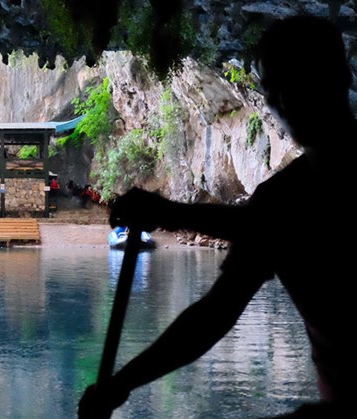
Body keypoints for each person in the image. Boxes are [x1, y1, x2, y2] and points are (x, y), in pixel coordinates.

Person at [78, 15, 356, 419]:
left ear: (339, 77)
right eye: (271, 88)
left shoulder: (284, 203)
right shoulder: (280, 199)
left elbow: (305, 222)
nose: (282, 100)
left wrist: (167, 212)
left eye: (295, 81)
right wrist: (121, 384)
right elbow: (213, 315)